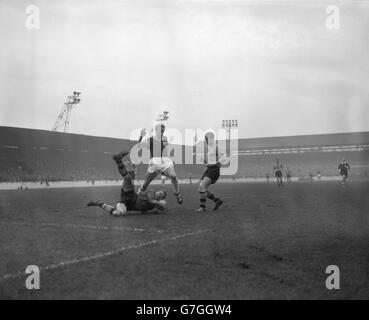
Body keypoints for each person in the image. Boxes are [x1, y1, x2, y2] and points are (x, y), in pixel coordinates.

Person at [87, 150, 167, 216]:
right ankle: (118, 160)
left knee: (117, 213)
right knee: (128, 178)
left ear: (160, 198)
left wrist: (156, 210)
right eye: (159, 193)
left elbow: (144, 210)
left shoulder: (152, 206)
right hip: (130, 195)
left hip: (127, 204)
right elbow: (151, 200)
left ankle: (99, 203)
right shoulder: (152, 192)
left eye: (160, 196)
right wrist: (161, 205)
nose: (158, 194)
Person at [137, 123, 183, 204]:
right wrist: (141, 136)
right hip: (154, 163)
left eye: (163, 130)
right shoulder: (150, 139)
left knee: (173, 176)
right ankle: (136, 198)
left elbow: (165, 147)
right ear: (156, 130)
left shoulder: (165, 138)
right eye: (160, 130)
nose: (162, 132)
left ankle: (177, 194)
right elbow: (139, 146)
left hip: (165, 162)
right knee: (145, 184)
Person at [195, 132, 224, 212]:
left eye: (207, 138)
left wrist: (219, 162)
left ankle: (202, 207)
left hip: (214, 169)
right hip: (209, 169)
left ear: (211, 138)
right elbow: (209, 161)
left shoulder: (217, 147)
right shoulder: (210, 149)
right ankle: (217, 201)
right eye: (205, 138)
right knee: (200, 189)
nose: (206, 140)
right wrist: (204, 161)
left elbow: (223, 156)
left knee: (202, 187)